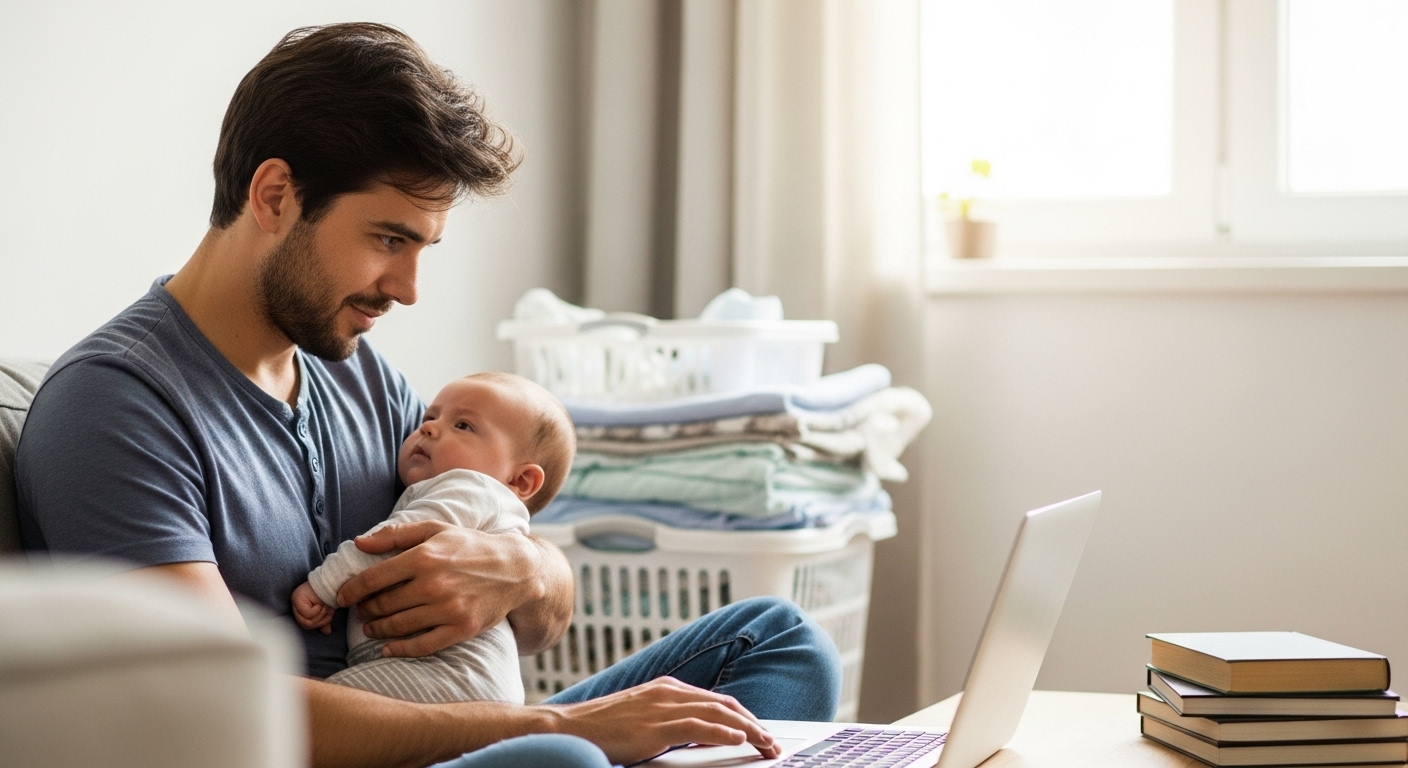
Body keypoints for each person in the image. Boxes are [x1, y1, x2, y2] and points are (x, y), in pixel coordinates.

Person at [14, 21, 840, 768]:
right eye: (387, 239)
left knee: (778, 639)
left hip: (448, 729)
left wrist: (526, 567)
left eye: (423, 249)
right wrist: (564, 730)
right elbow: (217, 715)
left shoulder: (358, 374)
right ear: (274, 196)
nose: (407, 289)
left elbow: (539, 613)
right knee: (562, 763)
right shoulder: (116, 409)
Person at [293, 372, 574, 705]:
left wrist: (324, 586)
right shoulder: (477, 500)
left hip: (444, 673)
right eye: (430, 417)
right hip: (457, 680)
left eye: (464, 426)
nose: (428, 427)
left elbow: (388, 542)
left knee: (311, 713)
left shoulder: (470, 489)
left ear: (521, 480)